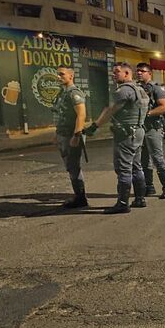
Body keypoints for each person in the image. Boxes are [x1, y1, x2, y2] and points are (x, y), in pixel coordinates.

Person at [94, 62, 149, 214]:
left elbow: (111, 110)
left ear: (126, 73)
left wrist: (95, 126)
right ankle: (140, 199)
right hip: (138, 131)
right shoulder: (140, 89)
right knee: (136, 166)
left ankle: (123, 203)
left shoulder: (124, 90)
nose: (114, 75)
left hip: (126, 134)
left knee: (124, 168)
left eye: (117, 72)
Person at [52, 66, 88, 208]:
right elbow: (61, 116)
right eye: (58, 74)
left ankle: (81, 198)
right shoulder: (63, 93)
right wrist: (57, 134)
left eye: (62, 74)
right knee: (70, 166)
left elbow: (81, 115)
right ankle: (78, 196)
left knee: (74, 167)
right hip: (63, 134)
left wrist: (76, 135)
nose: (58, 77)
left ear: (71, 76)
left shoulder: (74, 93)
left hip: (71, 135)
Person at [136, 63, 165, 199]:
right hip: (141, 128)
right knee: (143, 159)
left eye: (142, 71)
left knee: (157, 158)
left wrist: (148, 114)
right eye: (138, 71)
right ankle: (149, 186)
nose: (139, 73)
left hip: (153, 127)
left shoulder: (156, 89)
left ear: (149, 73)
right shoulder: (137, 88)